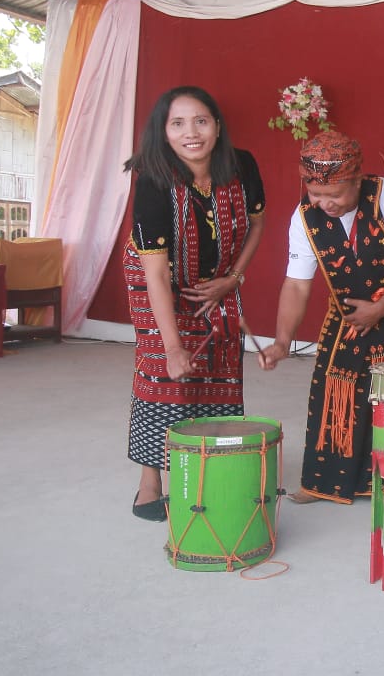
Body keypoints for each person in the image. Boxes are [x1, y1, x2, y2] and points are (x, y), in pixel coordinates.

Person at [123, 86, 266, 521]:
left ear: (217, 126)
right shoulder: (152, 178)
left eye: (201, 121)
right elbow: (156, 275)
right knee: (165, 378)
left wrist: (233, 279)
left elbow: (257, 224)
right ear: (163, 132)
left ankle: (210, 470)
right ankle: (150, 484)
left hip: (219, 280)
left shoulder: (241, 165)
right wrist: (171, 346)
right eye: (178, 123)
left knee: (219, 369)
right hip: (157, 284)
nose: (191, 133)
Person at [257, 129, 384, 503]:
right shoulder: (304, 218)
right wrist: (282, 341)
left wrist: (380, 308)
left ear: (358, 179)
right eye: (316, 194)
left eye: (335, 195)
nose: (325, 203)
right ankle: (324, 483)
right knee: (334, 395)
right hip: (345, 319)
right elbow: (297, 285)